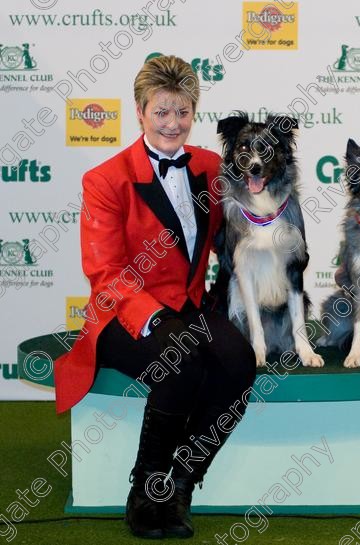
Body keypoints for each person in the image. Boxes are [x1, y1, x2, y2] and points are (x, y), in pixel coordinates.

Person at [53, 55, 256, 539]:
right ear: (140, 112)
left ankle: (182, 484)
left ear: (193, 113)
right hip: (121, 315)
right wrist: (153, 318)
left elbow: (259, 209)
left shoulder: (209, 165)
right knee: (180, 360)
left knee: (240, 362)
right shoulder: (105, 179)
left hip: (190, 307)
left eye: (182, 112)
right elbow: (105, 272)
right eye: (161, 112)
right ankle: (145, 492)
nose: (172, 123)